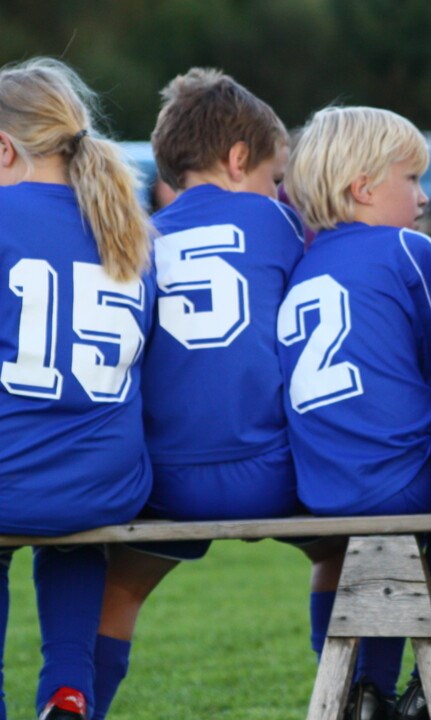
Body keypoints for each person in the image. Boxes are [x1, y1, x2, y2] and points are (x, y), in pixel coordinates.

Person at [90, 68, 350, 720]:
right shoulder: (286, 227)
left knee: (116, 592)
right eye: (274, 174)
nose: (280, 189)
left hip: (167, 481)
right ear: (239, 161)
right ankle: (349, 698)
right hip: (275, 472)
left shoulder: (136, 239)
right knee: (349, 556)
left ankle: (77, 703)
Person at [279, 105, 431, 720]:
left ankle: (355, 687)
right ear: (364, 187)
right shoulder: (409, 249)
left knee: (349, 546)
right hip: (401, 479)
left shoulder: (300, 264)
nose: (425, 198)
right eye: (412, 180)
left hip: (322, 487)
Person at [0, 57, 154, 720]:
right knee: (70, 531)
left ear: (2, 149)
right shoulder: (126, 225)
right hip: (104, 483)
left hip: (11, 478)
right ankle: (67, 686)